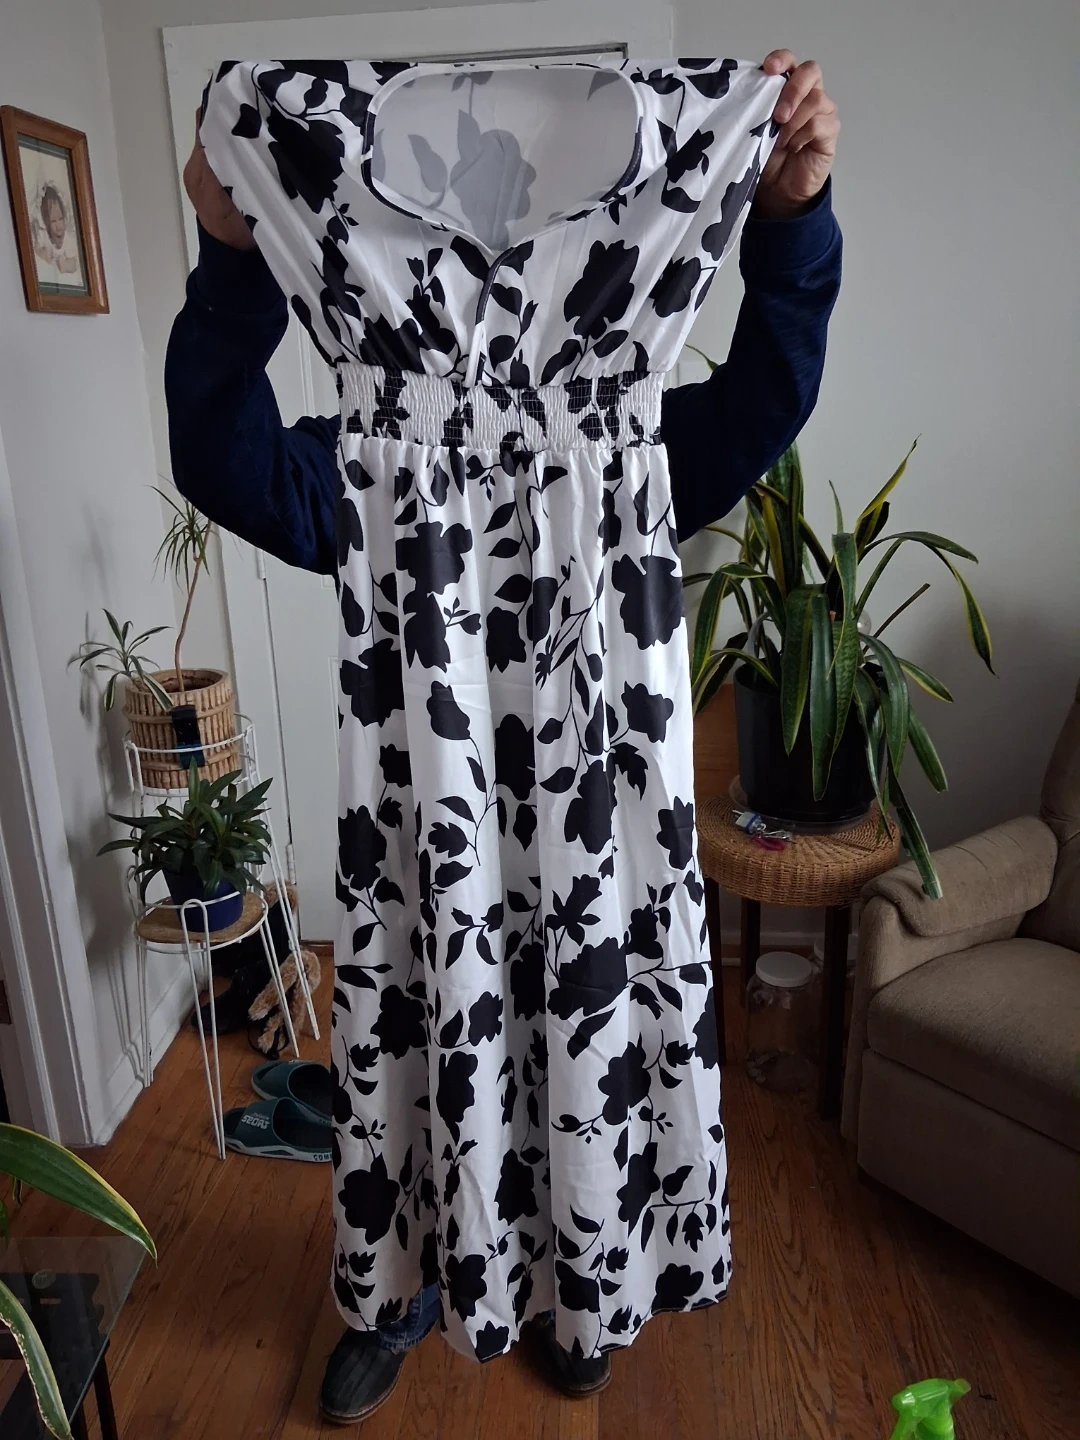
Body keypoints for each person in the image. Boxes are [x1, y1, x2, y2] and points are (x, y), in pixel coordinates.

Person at [166, 48, 841, 1425]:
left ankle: (575, 1284)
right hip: (429, 835)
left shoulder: (634, 438)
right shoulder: (367, 453)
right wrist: (231, 254)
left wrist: (790, 218)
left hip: (598, 825)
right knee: (427, 1020)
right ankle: (404, 1294)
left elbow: (766, 397)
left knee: (583, 1014)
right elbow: (218, 453)